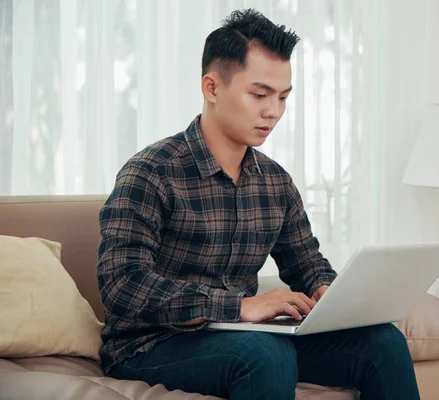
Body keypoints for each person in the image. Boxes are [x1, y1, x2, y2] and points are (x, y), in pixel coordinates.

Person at [97, 8, 420, 400]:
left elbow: (306, 263)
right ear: (212, 88)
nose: (274, 111)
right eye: (260, 94)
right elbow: (122, 285)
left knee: (382, 343)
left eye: (283, 97)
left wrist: (327, 292)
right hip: (150, 345)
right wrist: (239, 307)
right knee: (264, 353)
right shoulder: (151, 172)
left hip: (241, 336)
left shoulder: (275, 181)